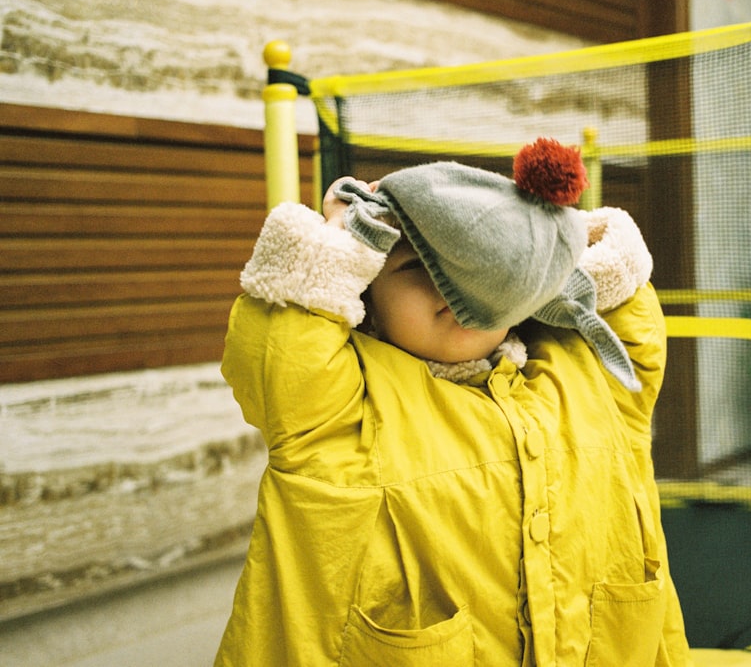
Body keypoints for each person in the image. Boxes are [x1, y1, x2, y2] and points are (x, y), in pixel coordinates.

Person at [215, 138, 692, 666]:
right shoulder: (340, 406)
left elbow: (627, 298)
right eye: (416, 268)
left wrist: (540, 242)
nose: (454, 291)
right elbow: (281, 345)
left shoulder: (584, 372)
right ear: (368, 289)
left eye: (481, 266)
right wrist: (342, 240)